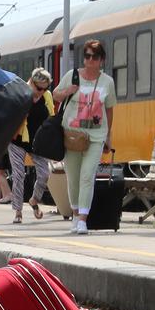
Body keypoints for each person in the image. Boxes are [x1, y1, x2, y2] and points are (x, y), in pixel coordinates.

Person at [53, 40, 116, 235]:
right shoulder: (72, 76)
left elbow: (109, 109)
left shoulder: (107, 82)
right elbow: (55, 95)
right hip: (72, 135)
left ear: (101, 60)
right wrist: (68, 91)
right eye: (87, 56)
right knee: (73, 177)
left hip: (96, 135)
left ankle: (82, 219)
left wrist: (108, 136)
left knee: (87, 175)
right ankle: (74, 214)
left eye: (94, 57)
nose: (90, 60)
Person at [9, 67, 55, 224]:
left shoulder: (46, 96)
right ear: (32, 82)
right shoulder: (22, 94)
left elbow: (51, 116)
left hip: (36, 141)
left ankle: (34, 200)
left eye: (45, 88)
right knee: (18, 174)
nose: (41, 92)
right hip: (17, 140)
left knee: (44, 173)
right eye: (39, 88)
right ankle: (18, 211)